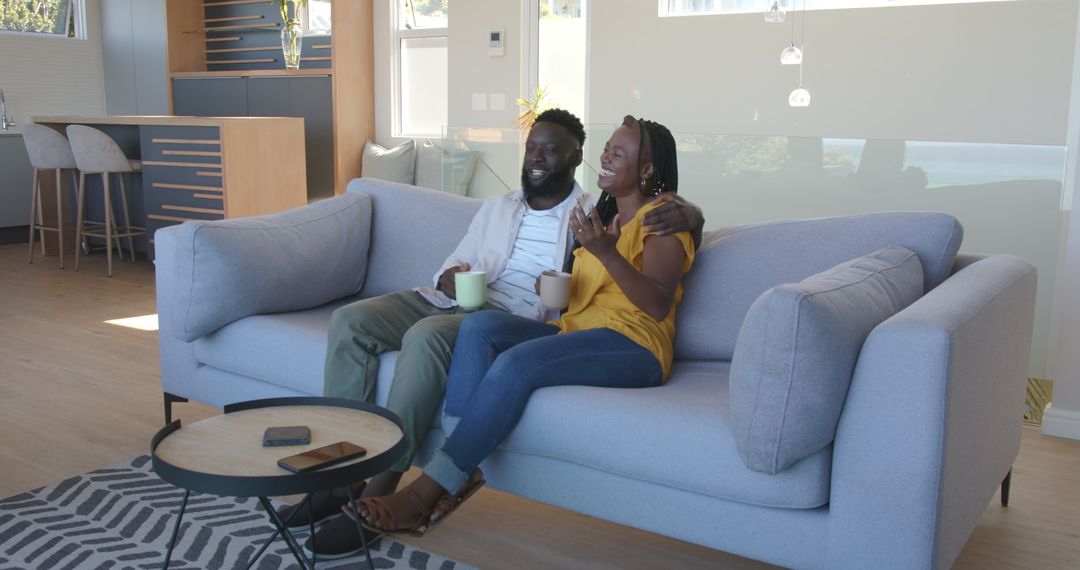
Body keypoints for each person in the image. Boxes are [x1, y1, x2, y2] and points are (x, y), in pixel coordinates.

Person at [285, 109, 706, 559]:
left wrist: (680, 221)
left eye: (617, 152)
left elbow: (658, 301)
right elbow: (578, 291)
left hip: (631, 343)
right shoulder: (599, 217)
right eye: (607, 149)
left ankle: (418, 490)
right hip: (559, 325)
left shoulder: (648, 217)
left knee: (505, 360)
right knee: (467, 327)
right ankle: (435, 460)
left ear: (644, 169)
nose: (606, 157)